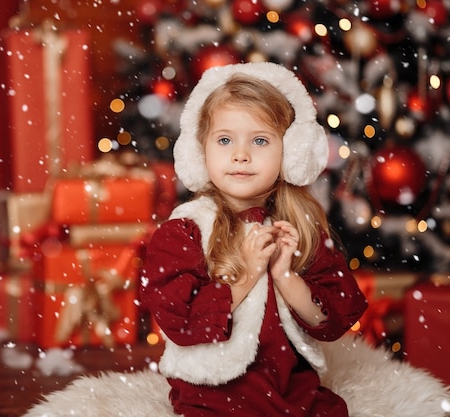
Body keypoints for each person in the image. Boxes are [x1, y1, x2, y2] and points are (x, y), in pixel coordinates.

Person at [140, 62, 369, 417]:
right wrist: (246, 274)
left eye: (260, 140)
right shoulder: (185, 230)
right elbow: (178, 321)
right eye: (225, 139)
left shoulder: (300, 227)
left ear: (290, 152)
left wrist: (285, 276)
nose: (241, 154)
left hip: (291, 389)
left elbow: (336, 315)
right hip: (211, 396)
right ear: (200, 150)